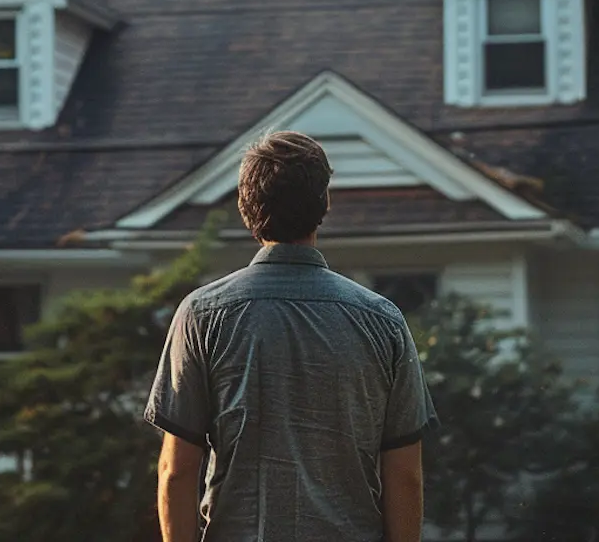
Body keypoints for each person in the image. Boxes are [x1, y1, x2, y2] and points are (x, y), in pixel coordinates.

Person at [144, 130, 439, 542]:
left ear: (246, 207)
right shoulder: (382, 320)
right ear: (324, 204)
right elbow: (405, 475)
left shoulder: (202, 315)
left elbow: (177, 471)